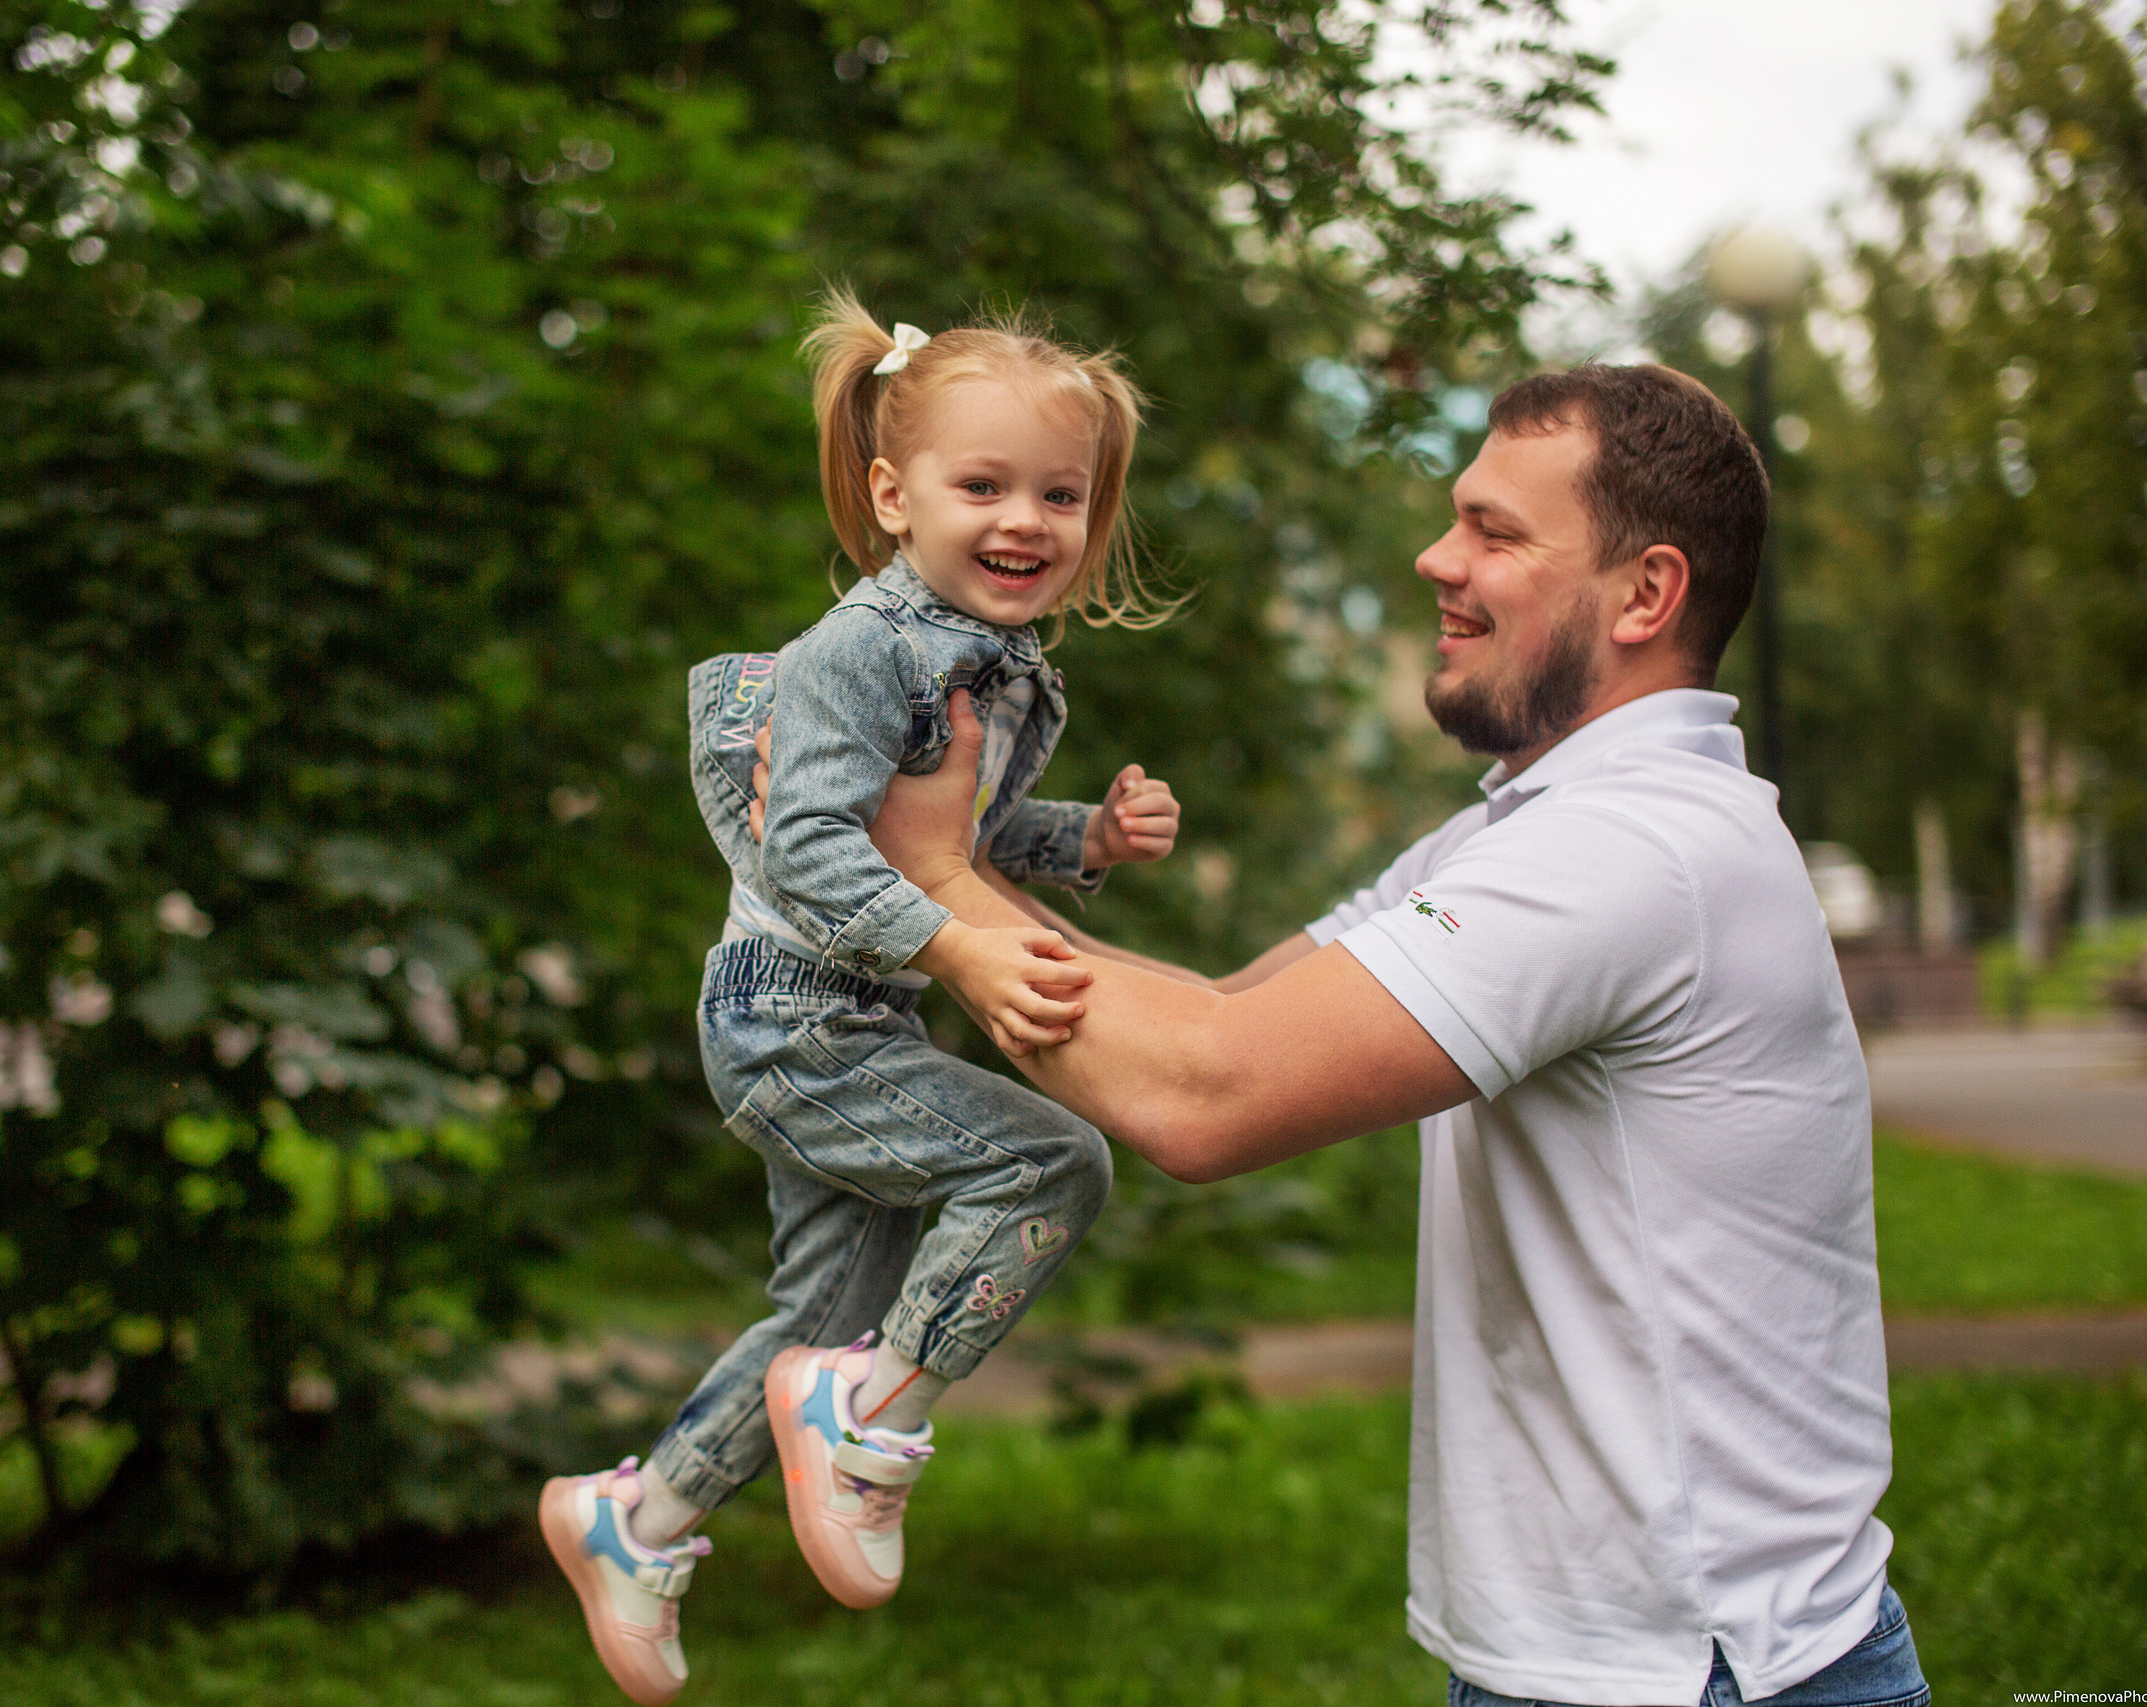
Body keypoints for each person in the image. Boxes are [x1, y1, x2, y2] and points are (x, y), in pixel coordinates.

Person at [806, 365, 1933, 1706]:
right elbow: (1219, 1020)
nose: (1435, 557)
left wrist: (927, 881)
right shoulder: (1523, 833)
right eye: (1458, 516)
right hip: (1613, 1664)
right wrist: (941, 880)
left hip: (1703, 1675)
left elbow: (1203, 1097)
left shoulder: (1633, 852)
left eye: (1497, 535)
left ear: (1646, 596)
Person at [539, 292, 1183, 1706]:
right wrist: (956, 952)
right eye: (984, 484)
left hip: (852, 1025)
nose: (1026, 519)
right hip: (792, 1023)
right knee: (1049, 1162)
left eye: (1061, 495)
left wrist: (1083, 839)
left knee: (819, 1315)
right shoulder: (861, 652)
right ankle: (874, 1414)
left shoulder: (994, 668)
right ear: (894, 495)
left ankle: (633, 1522)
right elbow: (813, 844)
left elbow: (941, 832)